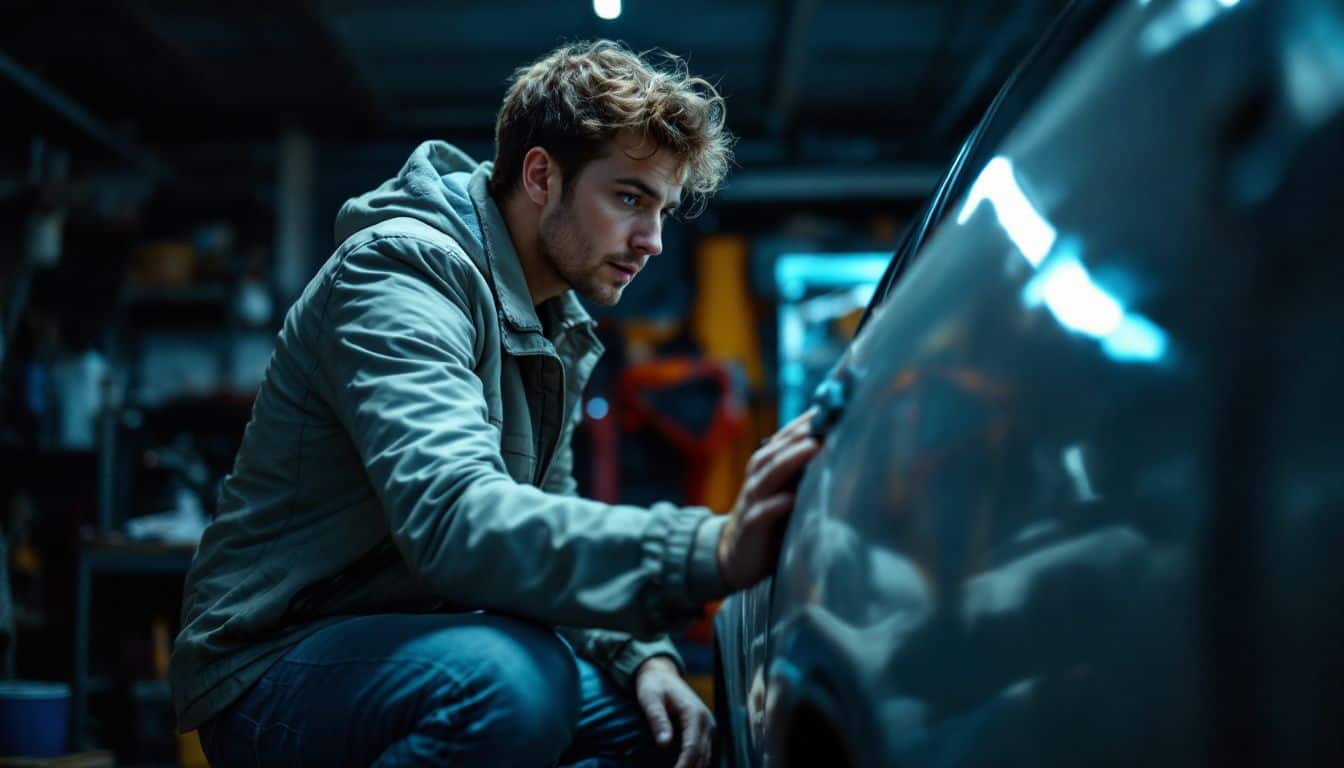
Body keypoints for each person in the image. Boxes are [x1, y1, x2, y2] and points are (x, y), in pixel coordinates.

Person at [170, 40, 821, 768]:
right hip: (271, 664)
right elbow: (454, 517)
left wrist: (644, 657)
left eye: (665, 209)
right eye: (630, 198)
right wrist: (710, 549)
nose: (655, 240)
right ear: (541, 175)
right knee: (510, 683)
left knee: (664, 731)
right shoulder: (401, 272)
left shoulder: (553, 322)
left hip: (415, 647)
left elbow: (549, 507)